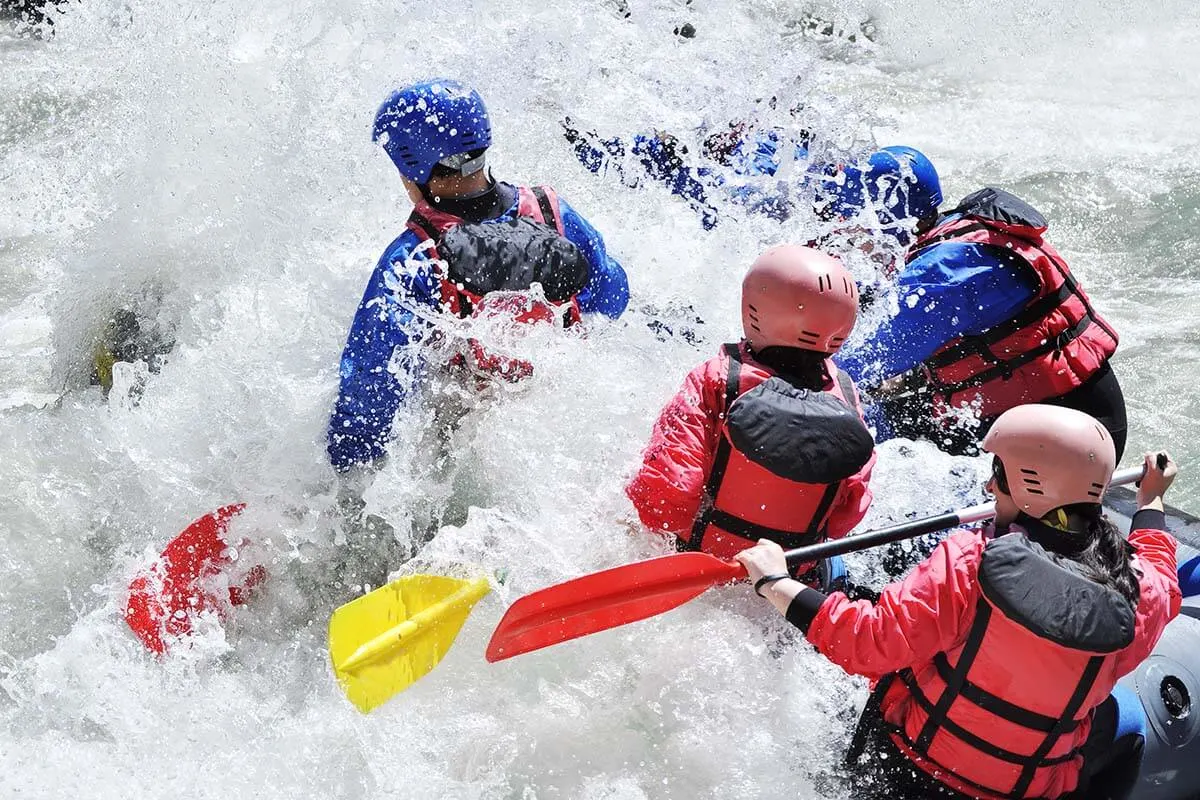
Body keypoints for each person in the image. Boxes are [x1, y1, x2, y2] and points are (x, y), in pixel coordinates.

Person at [736, 405, 1181, 800]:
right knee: (1128, 725)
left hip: (906, 768)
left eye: (999, 474)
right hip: (1024, 789)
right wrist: (1152, 500)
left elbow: (868, 643)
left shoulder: (970, 562)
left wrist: (775, 581)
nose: (989, 483)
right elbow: (1161, 569)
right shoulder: (1139, 593)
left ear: (1030, 486)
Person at [327, 79, 630, 476]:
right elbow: (611, 298)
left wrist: (339, 470)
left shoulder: (413, 258)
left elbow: (370, 389)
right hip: (560, 425)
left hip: (464, 443)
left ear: (410, 167)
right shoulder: (554, 214)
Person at [829, 149, 1127, 458]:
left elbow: (858, 364)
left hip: (1071, 440)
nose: (849, 236)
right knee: (886, 409)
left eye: (854, 224)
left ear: (884, 221)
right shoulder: (957, 233)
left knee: (860, 432)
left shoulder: (945, 274)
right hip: (1066, 417)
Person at [626, 245, 876, 588]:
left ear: (754, 309)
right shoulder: (847, 397)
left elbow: (669, 494)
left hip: (703, 565)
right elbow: (847, 514)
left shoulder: (715, 380)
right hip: (786, 581)